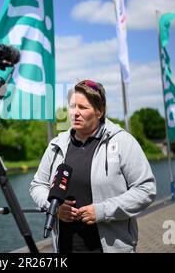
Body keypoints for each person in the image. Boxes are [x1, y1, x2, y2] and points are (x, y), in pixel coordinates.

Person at [30, 80, 156, 253]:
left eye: (83, 107)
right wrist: (54, 207)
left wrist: (102, 211)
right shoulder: (57, 144)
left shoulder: (122, 141)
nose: (75, 113)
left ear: (100, 111)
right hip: (65, 248)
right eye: (72, 106)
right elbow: (38, 185)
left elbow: (146, 189)